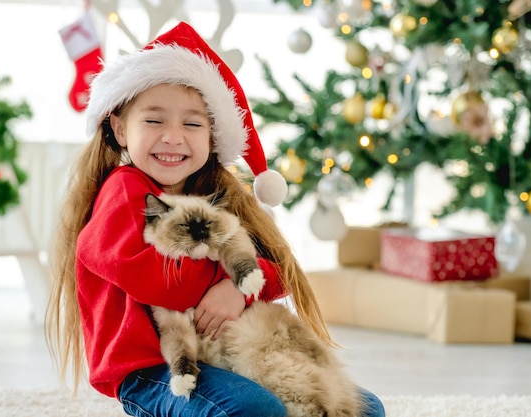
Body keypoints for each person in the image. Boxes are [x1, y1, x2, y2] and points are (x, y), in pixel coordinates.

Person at [45, 21, 385, 417]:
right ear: (120, 129)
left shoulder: (210, 193)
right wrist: (231, 278)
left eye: (192, 124)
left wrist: (237, 288)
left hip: (225, 352)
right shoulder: (125, 191)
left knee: (366, 408)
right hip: (154, 368)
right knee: (253, 409)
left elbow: (276, 271)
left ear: (211, 135)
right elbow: (161, 283)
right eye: (154, 120)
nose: (173, 136)